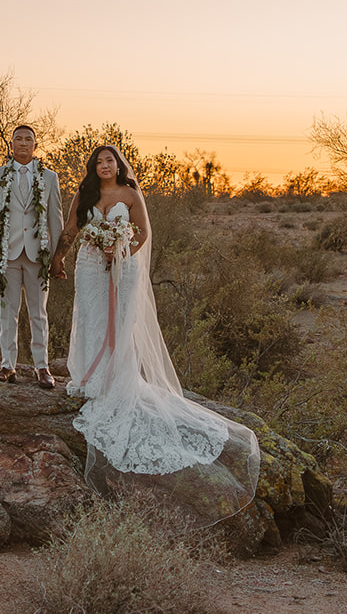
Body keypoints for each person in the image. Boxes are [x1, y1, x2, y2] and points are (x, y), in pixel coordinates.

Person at [57, 145, 260, 517]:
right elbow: (72, 228)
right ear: (93, 167)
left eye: (110, 161)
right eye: (99, 161)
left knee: (119, 323)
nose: (105, 166)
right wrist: (58, 257)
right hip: (88, 265)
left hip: (123, 266)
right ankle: (90, 378)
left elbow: (143, 233)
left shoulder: (131, 194)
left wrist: (119, 252)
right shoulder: (84, 194)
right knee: (90, 317)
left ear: (118, 165)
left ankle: (116, 382)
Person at [0, 125, 64, 387]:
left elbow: (56, 219)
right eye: (19, 139)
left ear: (35, 146)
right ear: (12, 144)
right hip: (7, 254)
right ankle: (8, 366)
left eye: (29, 139)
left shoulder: (49, 177)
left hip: (38, 255)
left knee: (39, 312)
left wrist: (56, 255)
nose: (24, 143)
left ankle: (42, 367)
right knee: (8, 311)